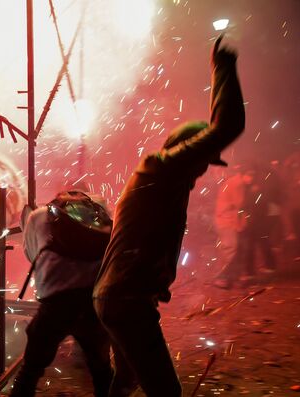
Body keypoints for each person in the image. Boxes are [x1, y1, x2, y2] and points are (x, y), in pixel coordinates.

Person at [93, 35, 245, 397]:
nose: (205, 169)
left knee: (127, 381)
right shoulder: (160, 169)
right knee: (166, 391)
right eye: (204, 160)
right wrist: (223, 66)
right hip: (126, 301)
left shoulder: (160, 179)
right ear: (186, 153)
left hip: (118, 299)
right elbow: (227, 126)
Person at [11, 190, 136, 397]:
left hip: (56, 303)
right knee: (101, 370)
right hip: (94, 301)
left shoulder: (38, 216)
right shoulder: (99, 216)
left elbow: (31, 254)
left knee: (31, 370)